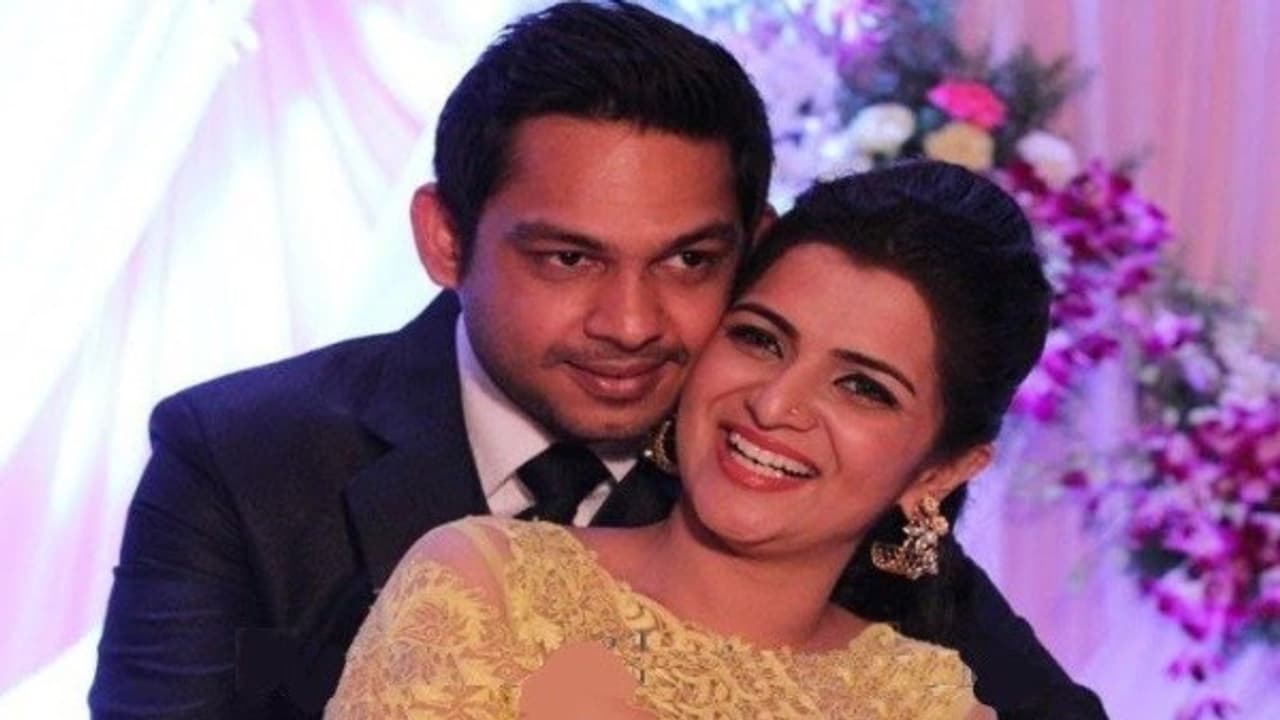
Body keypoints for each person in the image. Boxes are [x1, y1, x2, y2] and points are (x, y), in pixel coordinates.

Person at [91, 2, 1104, 718]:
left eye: (688, 261)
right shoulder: (243, 457)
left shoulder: (816, 497)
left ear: (751, 249)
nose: (630, 323)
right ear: (446, 240)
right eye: (568, 259)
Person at [324, 161, 1046, 719]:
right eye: (760, 339)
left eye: (862, 387)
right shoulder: (486, 588)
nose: (773, 404)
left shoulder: (926, 706)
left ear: (942, 471)